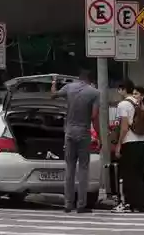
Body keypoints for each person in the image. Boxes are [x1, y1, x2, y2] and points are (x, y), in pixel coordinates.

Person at [51, 69, 100, 214]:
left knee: (70, 168)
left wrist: (53, 83)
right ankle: (81, 205)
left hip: (69, 133)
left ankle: (68, 204)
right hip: (83, 133)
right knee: (83, 169)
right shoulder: (94, 93)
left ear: (79, 78)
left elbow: (53, 95)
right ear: (90, 80)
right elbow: (94, 116)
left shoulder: (69, 87)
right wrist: (100, 136)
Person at [114, 80, 144, 213]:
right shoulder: (138, 102)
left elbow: (124, 127)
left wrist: (118, 144)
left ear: (123, 89)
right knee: (139, 173)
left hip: (129, 142)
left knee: (129, 174)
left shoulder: (123, 104)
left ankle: (130, 203)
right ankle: (142, 204)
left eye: (119, 89)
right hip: (141, 141)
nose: (118, 92)